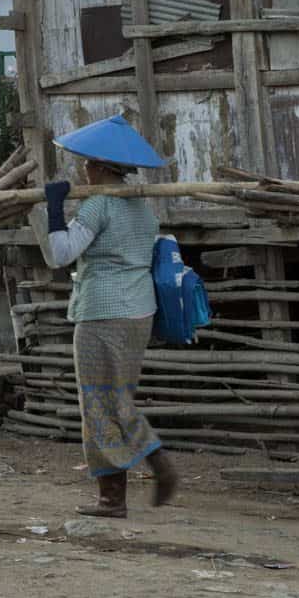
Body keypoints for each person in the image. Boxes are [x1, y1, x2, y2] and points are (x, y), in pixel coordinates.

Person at [44, 114, 178, 519]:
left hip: (102, 313)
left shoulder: (100, 204)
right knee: (118, 398)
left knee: (98, 405)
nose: (84, 168)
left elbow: (60, 254)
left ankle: (114, 495)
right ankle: (150, 463)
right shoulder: (141, 206)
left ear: (102, 167)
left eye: (87, 162)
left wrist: (54, 209)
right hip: (139, 311)